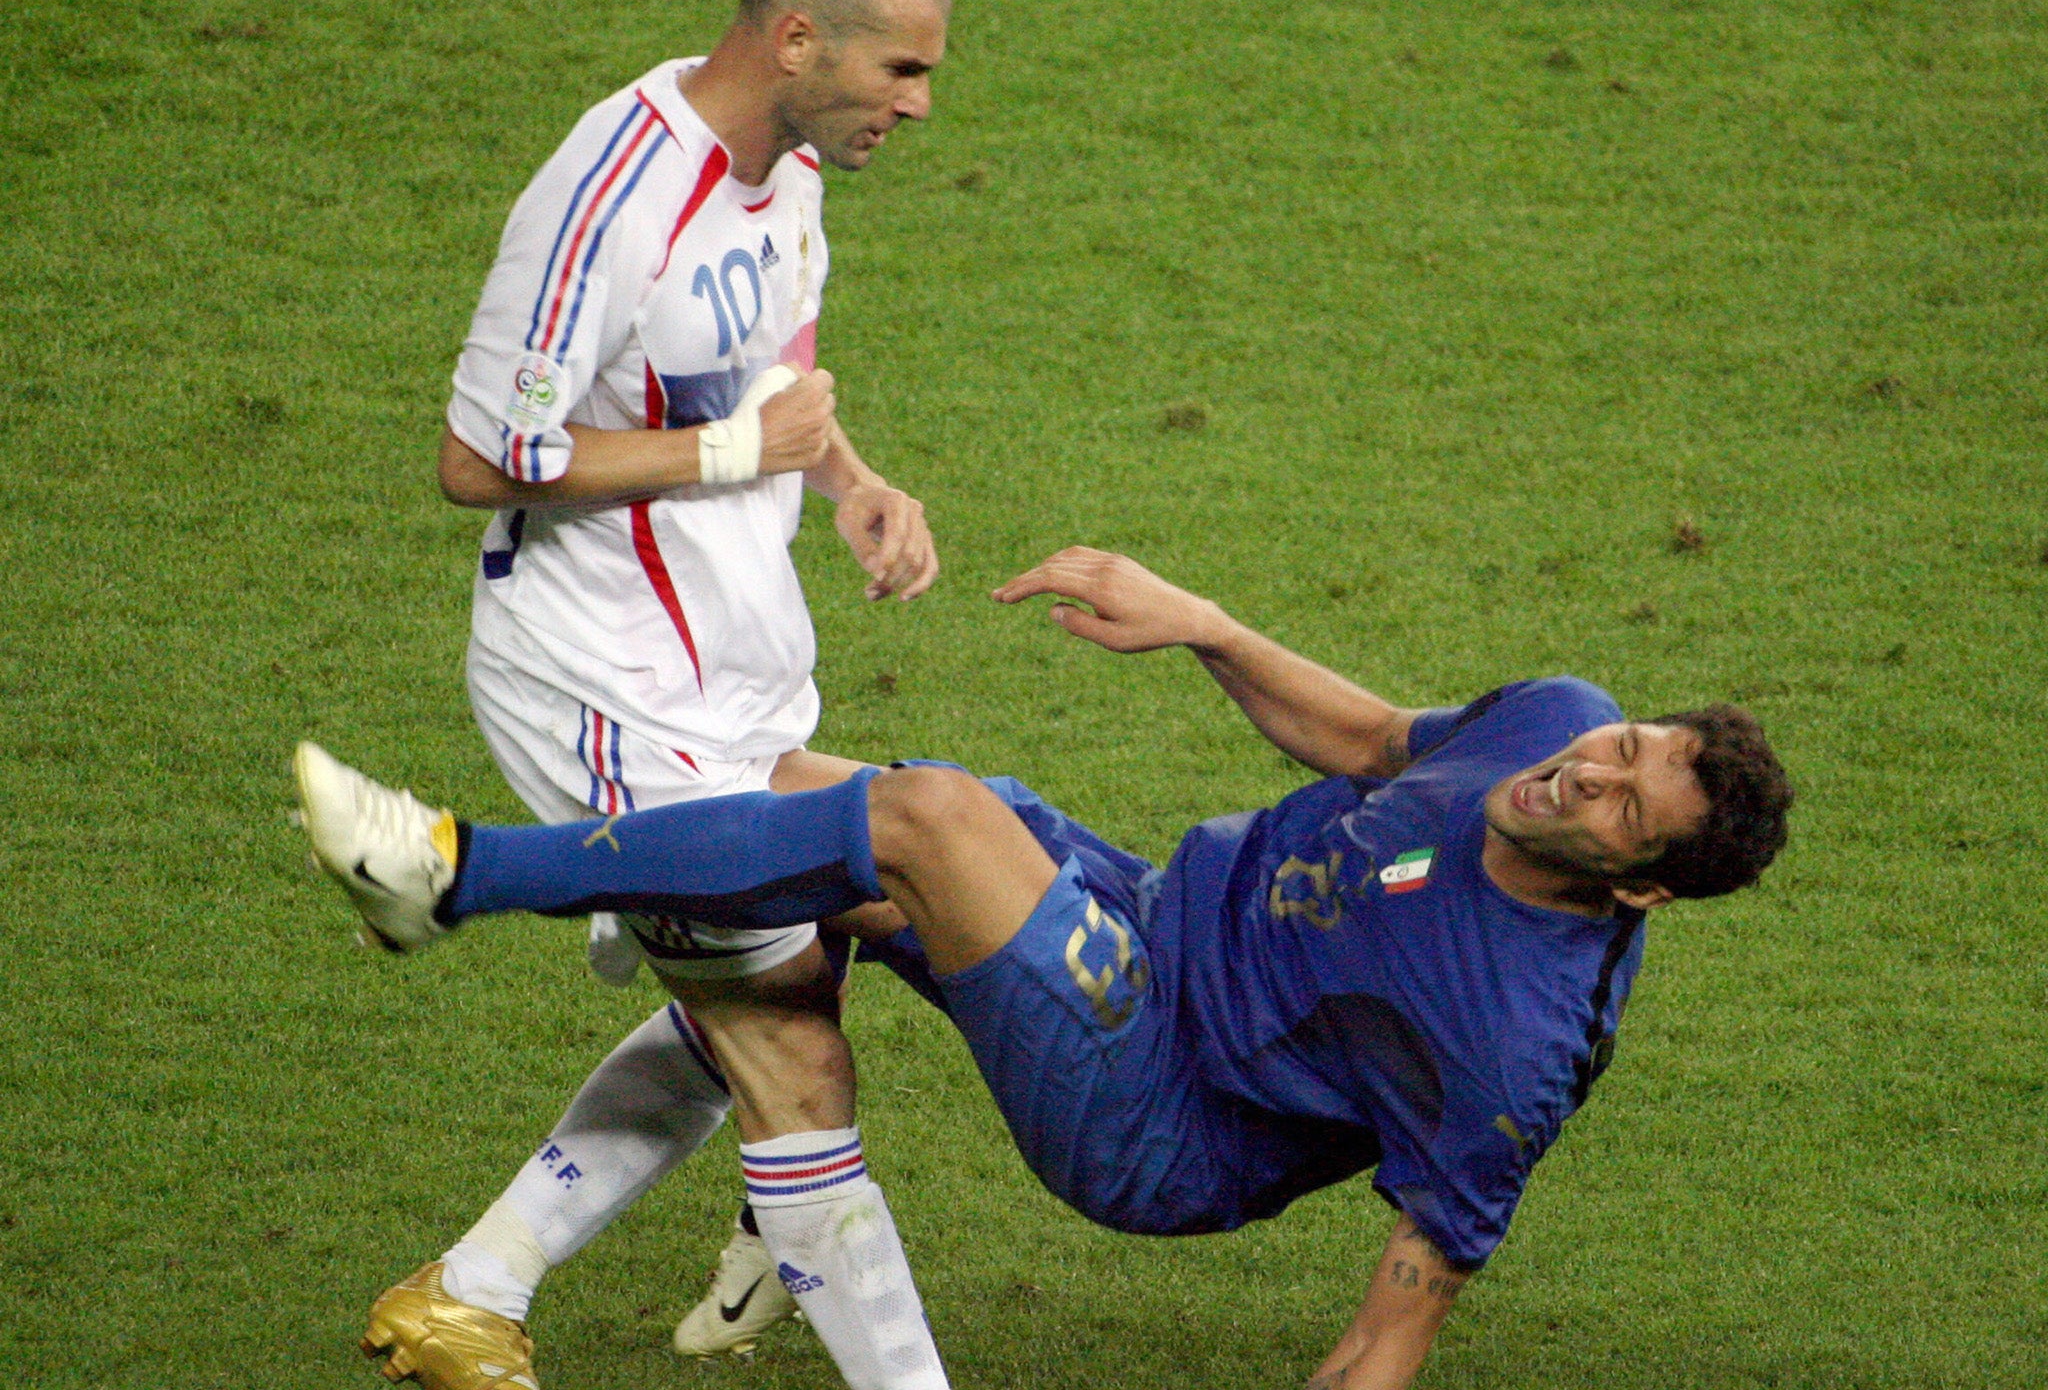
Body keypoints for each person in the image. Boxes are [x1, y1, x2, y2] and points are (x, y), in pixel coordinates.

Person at [297, 546, 1795, 1390]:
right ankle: (541, 1264)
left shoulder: (1515, 1048)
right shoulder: (1560, 721)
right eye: (1626, 743)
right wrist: (1207, 624)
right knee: (790, 810)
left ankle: (454, 874)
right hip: (1142, 916)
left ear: (1644, 887)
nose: (1585, 773)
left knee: (923, 817)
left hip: (1156, 1116)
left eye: (1620, 803)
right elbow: (1377, 742)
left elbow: (1390, 1333)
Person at [371, 0, 957, 1390]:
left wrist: (851, 482)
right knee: (791, 1042)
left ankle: (477, 1286)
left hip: (740, 662)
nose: (918, 105)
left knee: (810, 945)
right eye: (900, 69)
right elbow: (477, 457)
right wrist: (725, 457)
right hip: (603, 679)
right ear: (796, 36)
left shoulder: (792, 175)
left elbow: (777, 377)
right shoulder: (612, 191)